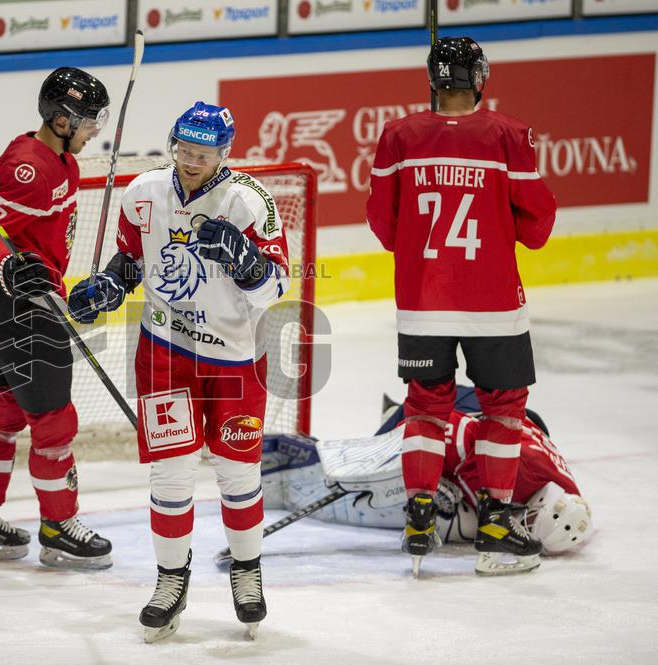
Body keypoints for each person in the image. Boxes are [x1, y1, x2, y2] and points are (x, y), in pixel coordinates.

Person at [68, 102, 290, 641]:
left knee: (238, 473)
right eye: (184, 150)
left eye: (203, 154)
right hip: (164, 354)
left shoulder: (250, 202)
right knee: (170, 474)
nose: (191, 161)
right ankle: (171, 579)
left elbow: (276, 286)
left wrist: (243, 259)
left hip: (236, 360)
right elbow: (130, 260)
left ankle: (247, 570)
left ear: (224, 154)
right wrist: (110, 285)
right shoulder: (143, 191)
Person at [365, 37, 558, 576]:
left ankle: (419, 518)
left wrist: (420, 252)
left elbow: (383, 222)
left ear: (433, 79)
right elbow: (537, 224)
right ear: (479, 78)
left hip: (422, 299)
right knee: (503, 408)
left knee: (425, 407)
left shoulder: (397, 135)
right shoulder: (509, 134)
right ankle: (495, 525)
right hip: (492, 300)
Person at [0, 67, 114, 570]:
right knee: (54, 419)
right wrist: (9, 268)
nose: (94, 131)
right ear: (62, 120)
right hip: (16, 305)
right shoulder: (28, 168)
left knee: (4, 411)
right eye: (88, 121)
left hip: (9, 301)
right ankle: (58, 526)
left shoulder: (62, 160)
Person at [263, 388, 592, 565]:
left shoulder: (563, 492)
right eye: (532, 520)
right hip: (455, 412)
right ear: (544, 501)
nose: (525, 524)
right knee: (369, 477)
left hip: (488, 415)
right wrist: (429, 480)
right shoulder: (523, 469)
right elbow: (446, 428)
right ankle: (286, 453)